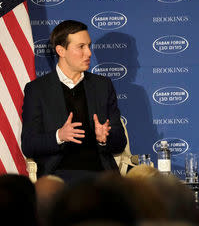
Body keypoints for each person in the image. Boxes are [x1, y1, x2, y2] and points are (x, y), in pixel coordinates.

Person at [21, 20, 127, 183]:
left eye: (89, 46)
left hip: (101, 175)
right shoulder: (37, 90)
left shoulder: (102, 86)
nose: (89, 53)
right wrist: (59, 136)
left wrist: (105, 138)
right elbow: (29, 145)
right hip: (59, 176)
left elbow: (119, 142)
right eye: (81, 47)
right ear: (61, 50)